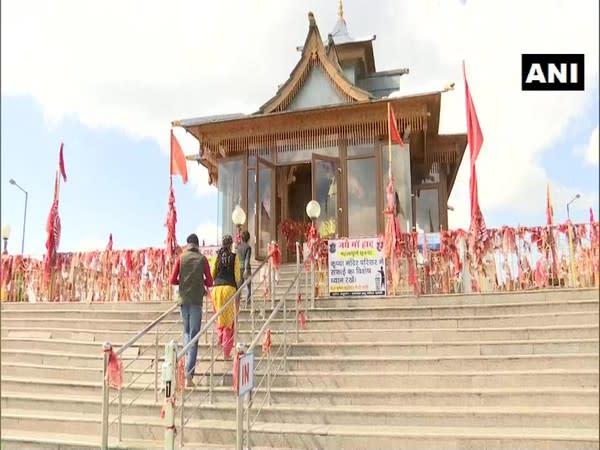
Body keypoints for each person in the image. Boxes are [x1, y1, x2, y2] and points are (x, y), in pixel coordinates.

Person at [170, 233, 213, 388]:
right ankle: (188, 376)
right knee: (194, 336)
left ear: (187, 244)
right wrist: (199, 281)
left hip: (183, 300)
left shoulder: (181, 258)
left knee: (187, 332)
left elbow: (172, 280)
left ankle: (184, 370)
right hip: (196, 301)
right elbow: (210, 281)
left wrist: (184, 280)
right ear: (197, 245)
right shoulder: (202, 259)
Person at [211, 234, 241, 360]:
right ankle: (226, 353)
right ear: (230, 244)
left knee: (218, 316)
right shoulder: (234, 257)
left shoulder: (216, 257)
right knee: (229, 322)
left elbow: (213, 273)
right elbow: (237, 276)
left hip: (217, 290)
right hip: (229, 289)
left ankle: (219, 336)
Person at [235, 231, 252, 306]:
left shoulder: (238, 247)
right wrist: (246, 269)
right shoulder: (248, 247)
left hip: (239, 268)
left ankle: (237, 303)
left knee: (239, 287)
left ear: (241, 238)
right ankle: (248, 302)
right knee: (249, 287)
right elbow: (247, 259)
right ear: (248, 238)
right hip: (246, 269)